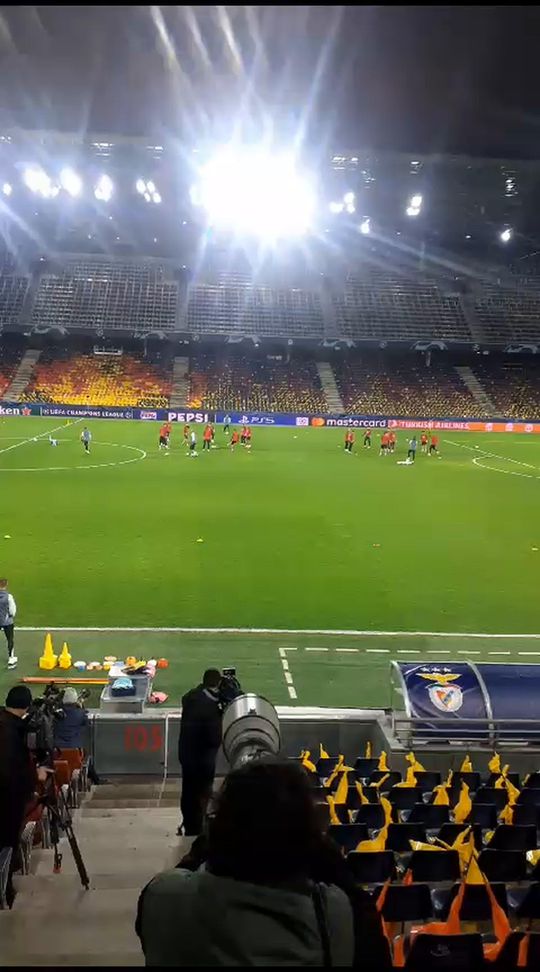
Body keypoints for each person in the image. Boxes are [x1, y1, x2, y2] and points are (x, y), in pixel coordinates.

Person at [136, 760, 391, 968]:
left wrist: (211, 838)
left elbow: (180, 877)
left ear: (218, 826)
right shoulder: (333, 913)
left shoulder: (165, 897)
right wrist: (325, 852)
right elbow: (368, 931)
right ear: (307, 839)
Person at [0, 686, 51, 908]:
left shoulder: (9, 725)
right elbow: (11, 771)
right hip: (6, 801)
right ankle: (4, 891)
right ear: (26, 707)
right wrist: (36, 777)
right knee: (6, 841)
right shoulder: (11, 734)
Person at [177, 669, 222, 836]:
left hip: (186, 753)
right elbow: (213, 738)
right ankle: (199, 827)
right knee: (202, 792)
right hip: (203, 758)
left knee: (188, 790)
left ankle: (190, 825)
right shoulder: (209, 709)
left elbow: (188, 697)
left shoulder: (192, 698)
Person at [53, 687, 102, 785]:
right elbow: (86, 723)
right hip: (75, 751)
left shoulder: (55, 713)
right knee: (88, 756)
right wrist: (81, 706)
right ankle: (97, 781)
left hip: (56, 752)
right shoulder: (80, 713)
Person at [0, 578, 17, 669]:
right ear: (6, 585)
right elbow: (12, 610)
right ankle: (11, 657)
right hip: (7, 622)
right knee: (10, 639)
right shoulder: (8, 596)